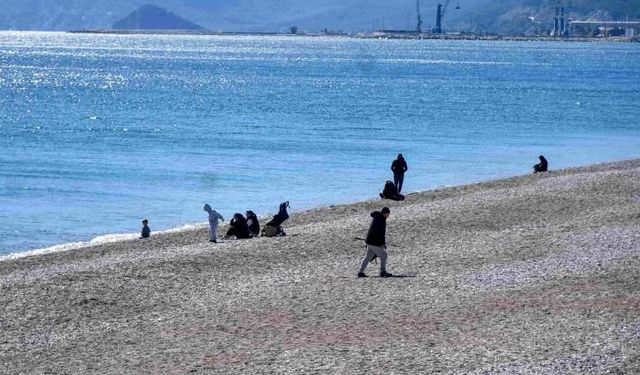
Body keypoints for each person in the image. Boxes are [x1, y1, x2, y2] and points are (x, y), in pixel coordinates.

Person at [358, 207, 393, 278]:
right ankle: (383, 272)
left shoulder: (376, 217)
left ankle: (360, 272)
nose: (388, 216)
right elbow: (381, 233)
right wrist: (382, 244)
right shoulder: (382, 219)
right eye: (388, 214)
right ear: (385, 213)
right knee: (384, 255)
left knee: (367, 257)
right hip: (374, 242)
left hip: (369, 241)